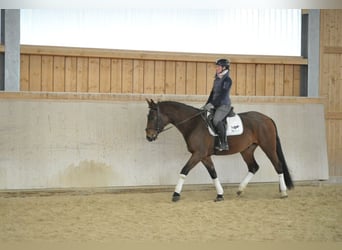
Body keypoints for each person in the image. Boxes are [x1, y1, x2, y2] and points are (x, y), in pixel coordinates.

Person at [203, 58, 232, 151]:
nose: (216, 68)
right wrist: (207, 104)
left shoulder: (227, 80)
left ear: (224, 67)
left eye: (218, 67)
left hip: (224, 105)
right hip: (215, 104)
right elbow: (212, 93)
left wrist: (212, 104)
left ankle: (224, 143)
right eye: (217, 66)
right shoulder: (217, 79)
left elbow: (223, 95)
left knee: (216, 120)